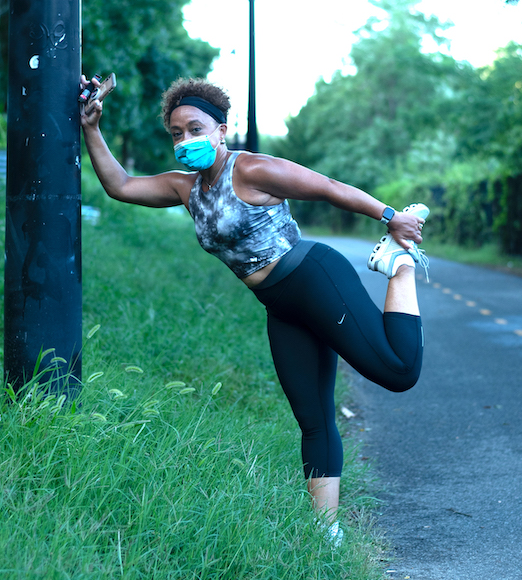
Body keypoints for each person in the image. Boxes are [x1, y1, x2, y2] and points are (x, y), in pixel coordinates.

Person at [80, 76, 427, 545]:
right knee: (314, 417)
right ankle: (327, 535)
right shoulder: (186, 189)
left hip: (314, 279)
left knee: (400, 370)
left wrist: (391, 217)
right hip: (280, 306)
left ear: (222, 130)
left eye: (196, 128)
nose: (185, 140)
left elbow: (325, 186)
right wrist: (92, 127)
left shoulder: (251, 170)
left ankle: (397, 266)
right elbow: (120, 185)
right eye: (177, 133)